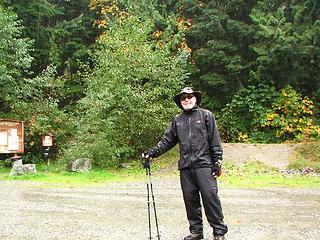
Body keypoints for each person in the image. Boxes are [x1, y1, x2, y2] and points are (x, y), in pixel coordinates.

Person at [142, 87, 228, 240]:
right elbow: (166, 142)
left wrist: (218, 161)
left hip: (204, 165)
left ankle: (219, 231)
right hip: (185, 167)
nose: (186, 100)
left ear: (195, 99)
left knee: (210, 197)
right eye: (183, 98)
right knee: (190, 199)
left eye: (189, 97)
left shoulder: (206, 116)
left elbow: (215, 141)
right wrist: (151, 153)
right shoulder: (177, 120)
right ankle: (196, 232)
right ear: (180, 102)